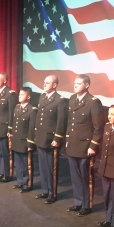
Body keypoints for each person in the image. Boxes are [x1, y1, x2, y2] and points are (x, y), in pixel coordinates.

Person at [66, 74, 105, 216]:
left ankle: (87, 204)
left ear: (87, 85)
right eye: (75, 83)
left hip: (85, 146)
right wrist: (68, 139)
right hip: (73, 144)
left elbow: (98, 127)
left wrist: (93, 146)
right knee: (75, 176)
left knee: (85, 176)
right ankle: (78, 202)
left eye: (79, 83)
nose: (75, 85)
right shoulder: (72, 99)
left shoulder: (93, 102)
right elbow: (70, 122)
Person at [34, 75, 68, 204]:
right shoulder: (42, 97)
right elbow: (39, 117)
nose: (44, 84)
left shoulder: (60, 100)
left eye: (47, 83)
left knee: (51, 167)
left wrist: (57, 138)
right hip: (41, 136)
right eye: (44, 82)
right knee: (42, 166)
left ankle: (52, 193)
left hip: (51, 138)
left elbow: (61, 121)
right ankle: (45, 190)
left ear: (54, 85)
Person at [8, 87, 36, 192]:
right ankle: (20, 181)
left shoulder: (32, 110)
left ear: (28, 97)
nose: (19, 96)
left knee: (26, 164)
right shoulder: (17, 107)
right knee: (18, 163)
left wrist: (30, 143)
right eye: (19, 94)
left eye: (22, 95)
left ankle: (27, 183)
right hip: (16, 139)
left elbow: (31, 128)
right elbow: (15, 123)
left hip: (24, 141)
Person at [0, 72, 17, 183]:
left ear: (5, 81)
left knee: (5, 152)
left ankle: (7, 174)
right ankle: (2, 172)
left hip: (4, 127)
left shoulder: (10, 94)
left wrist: (10, 129)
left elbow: (12, 113)